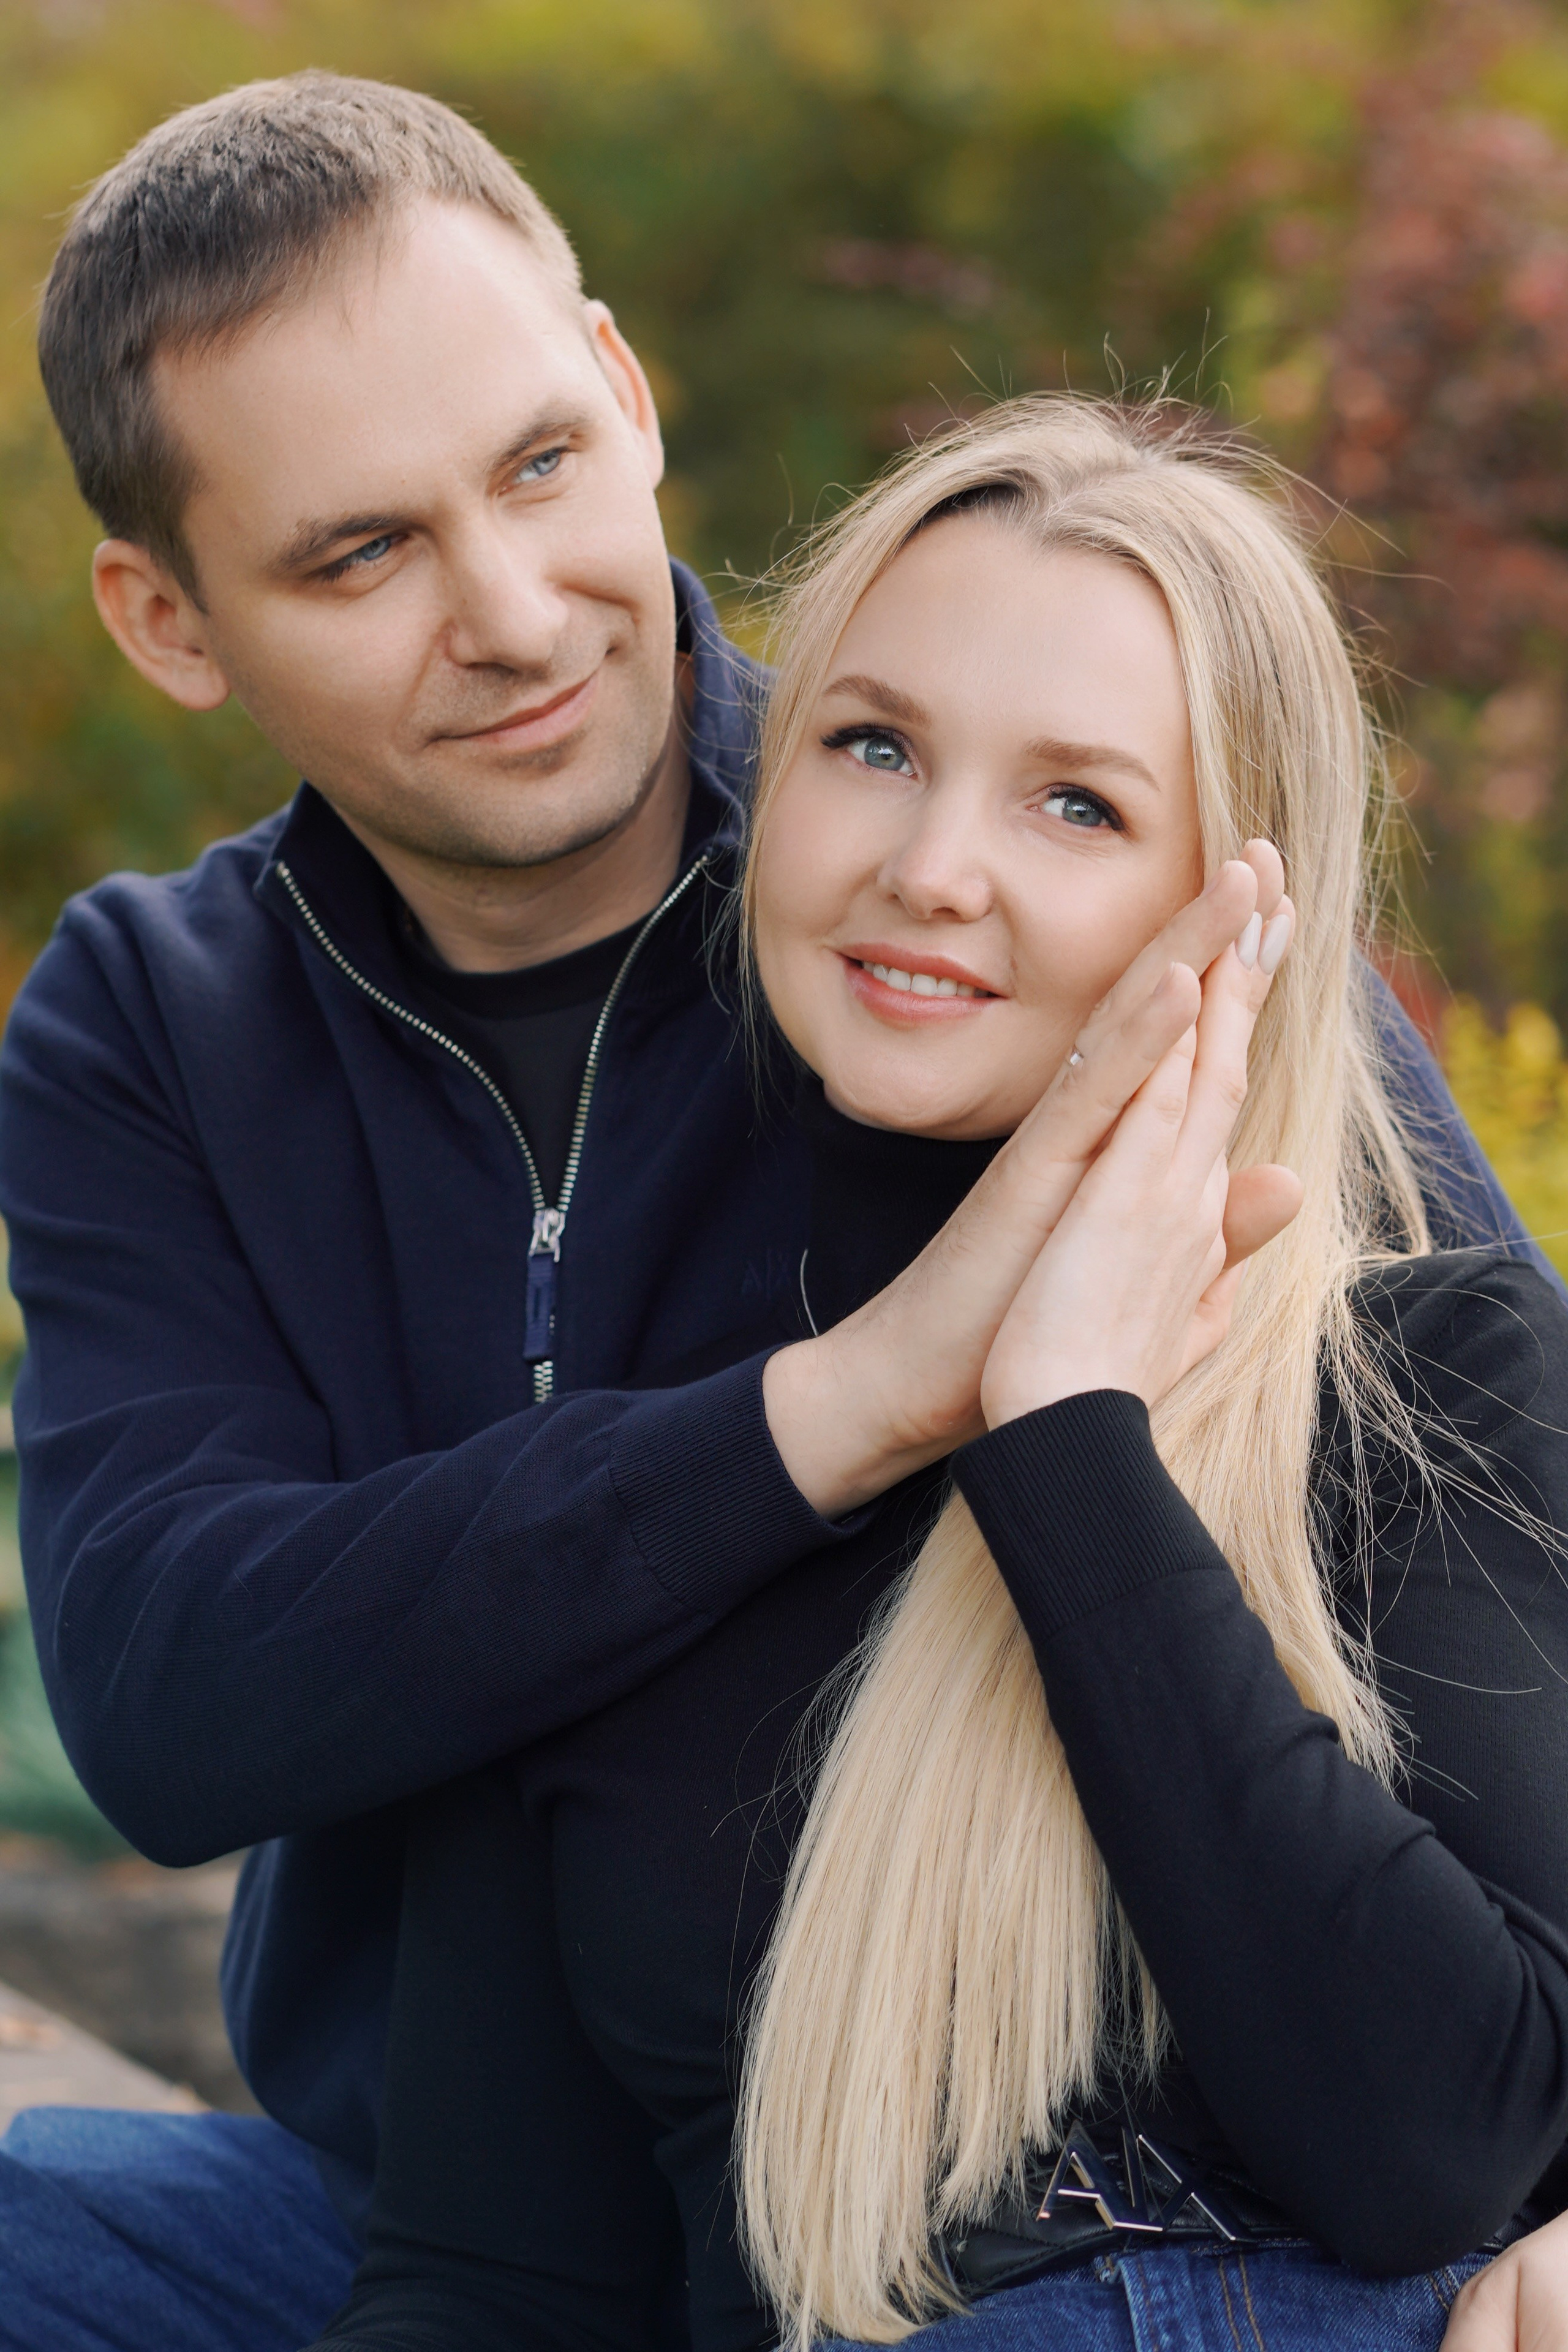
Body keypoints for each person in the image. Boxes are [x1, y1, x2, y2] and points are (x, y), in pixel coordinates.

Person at [0, 69, 1545, 2352]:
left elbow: (1483, 1517)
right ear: (171, 620)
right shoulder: (156, 1024)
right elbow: (166, 1699)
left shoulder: (1038, 955)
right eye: (361, 553)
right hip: (481, 2170)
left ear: (624, 392)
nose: (517, 615)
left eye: (536, 465)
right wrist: (844, 1408)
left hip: (1115, 2213)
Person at [304, 398, 1568, 2352]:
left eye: (1078, 805)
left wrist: (1071, 1443)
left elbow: (1431, 2148)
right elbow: (494, 2273)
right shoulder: (630, 1481)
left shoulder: (1424, 1382)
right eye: (872, 746)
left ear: (1235, 907)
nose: (928, 866)